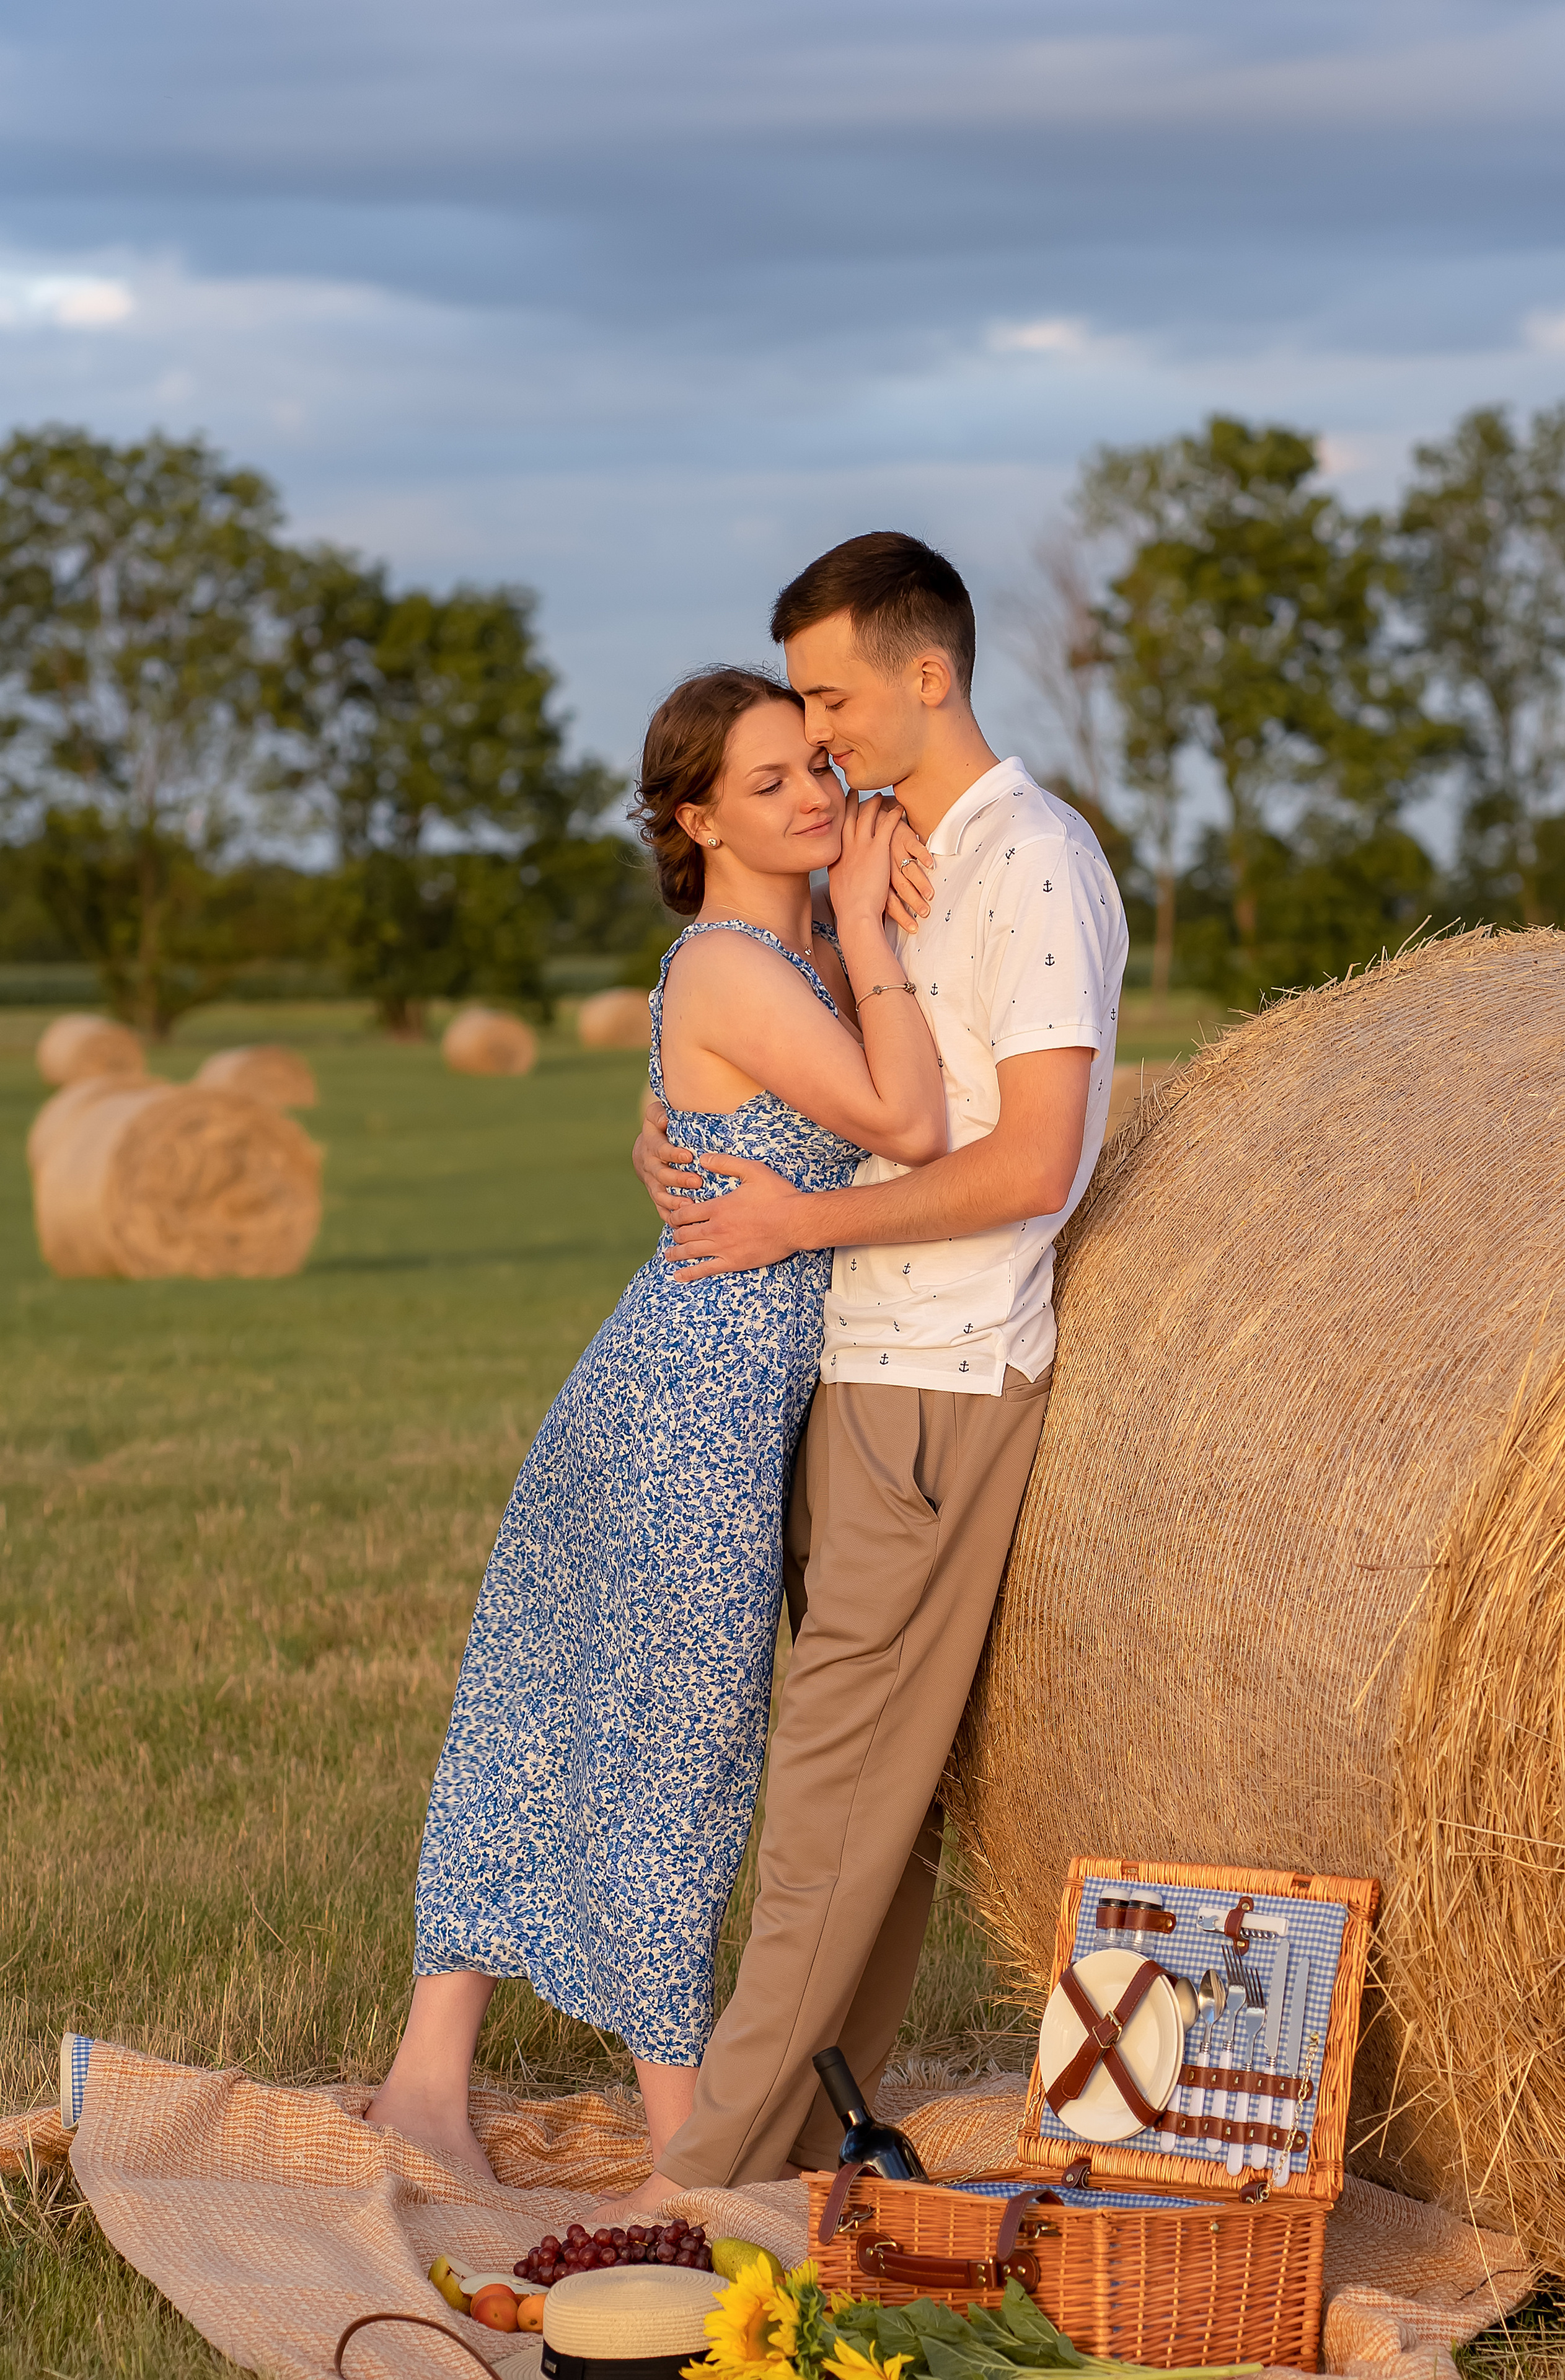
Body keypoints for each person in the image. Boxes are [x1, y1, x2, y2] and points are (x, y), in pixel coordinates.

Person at [364, 664, 946, 2182]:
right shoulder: (736, 964)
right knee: (674, 1750)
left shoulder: (783, 935)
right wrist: (875, 927)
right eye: (769, 785)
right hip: (687, 1401)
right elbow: (905, 1125)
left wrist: (866, 854)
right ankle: (680, 2119)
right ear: (696, 818)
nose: (813, 796)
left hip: (696, 1385)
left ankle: (431, 2076)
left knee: (557, 1713)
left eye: (816, 767)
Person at [616, 531, 1128, 2207]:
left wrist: (795, 1232)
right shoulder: (916, 855)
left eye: (832, 697)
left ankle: (705, 2182)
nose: (819, 736)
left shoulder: (1032, 863)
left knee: (826, 1814)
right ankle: (810, 2143)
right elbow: (818, 1076)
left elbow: (1031, 1163)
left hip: (935, 1379)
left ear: (931, 674)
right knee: (863, 1811)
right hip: (861, 1372)